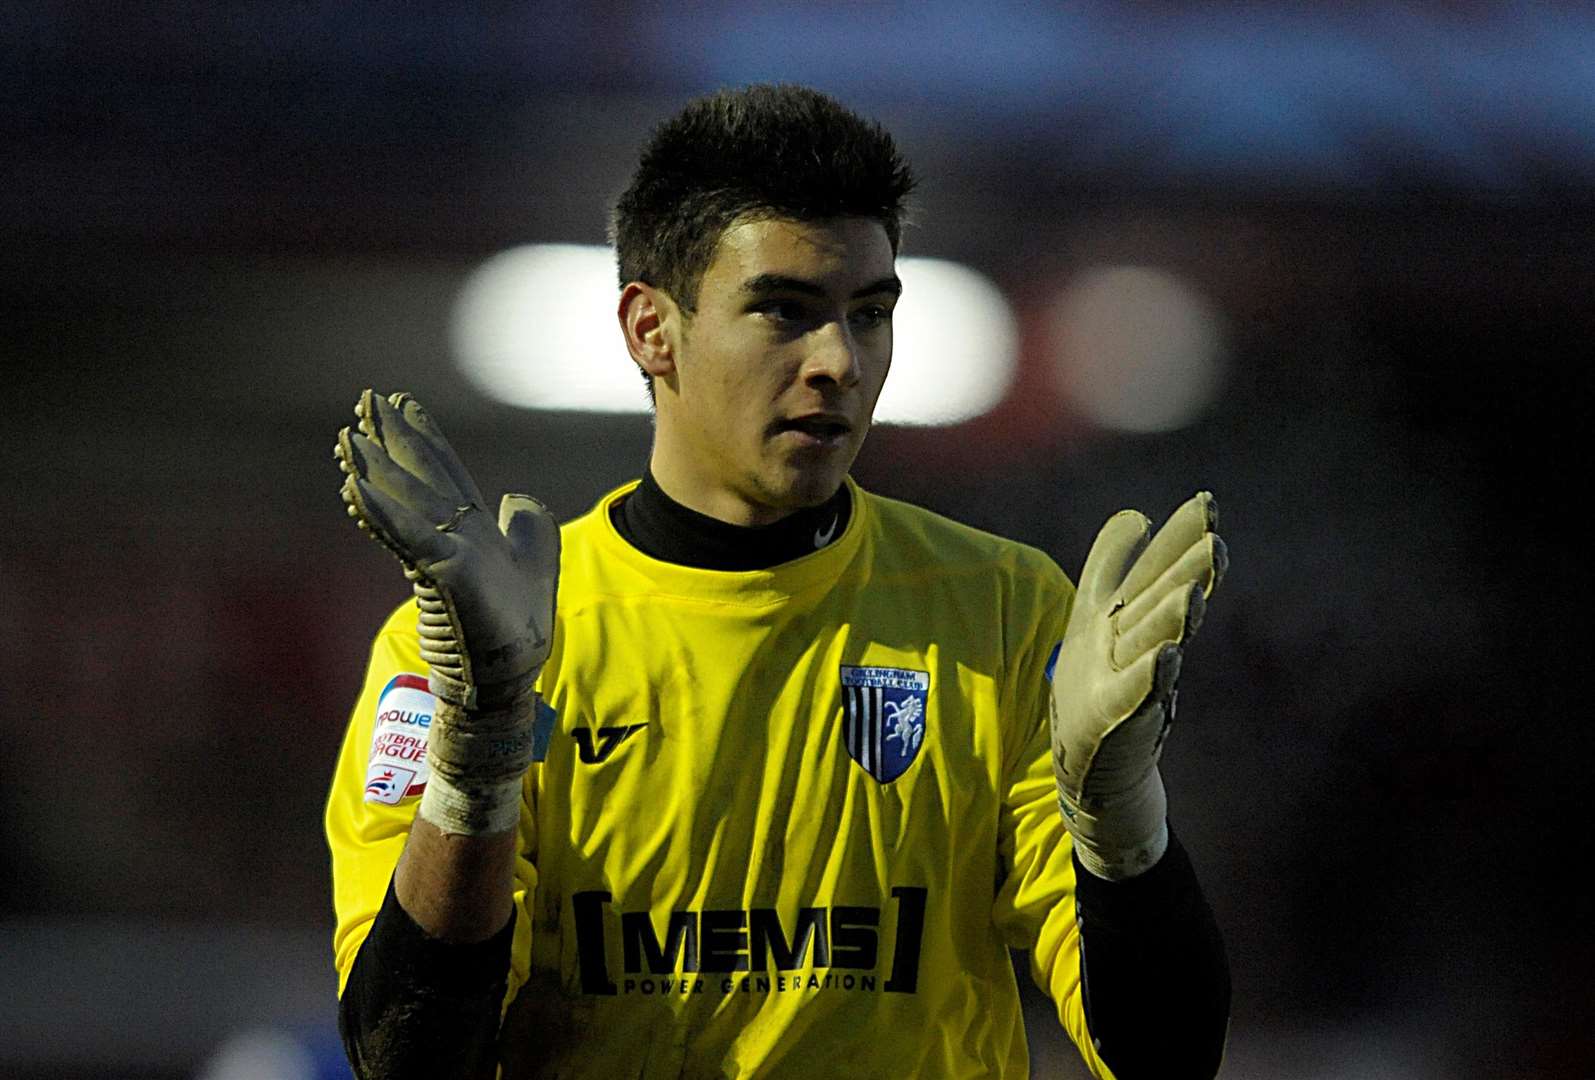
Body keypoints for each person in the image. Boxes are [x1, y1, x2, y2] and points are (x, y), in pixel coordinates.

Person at [326, 83, 1230, 1079]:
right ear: (649, 330)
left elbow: (1164, 1059)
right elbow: (408, 1061)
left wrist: (1119, 819)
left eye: (868, 314)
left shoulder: (1002, 612)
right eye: (783, 312)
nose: (838, 362)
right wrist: (482, 751)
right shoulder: (468, 653)